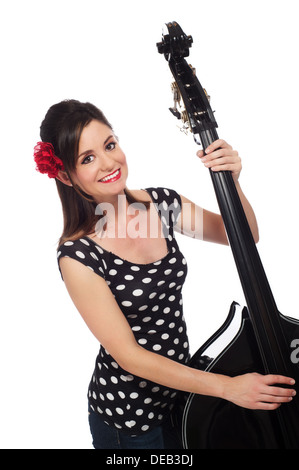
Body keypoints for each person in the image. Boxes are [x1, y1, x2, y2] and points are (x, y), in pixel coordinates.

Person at [34, 99, 296, 449]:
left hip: (182, 397)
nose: (109, 162)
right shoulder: (78, 255)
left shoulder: (162, 205)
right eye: (88, 158)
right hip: (129, 420)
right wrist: (228, 387)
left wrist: (232, 182)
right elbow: (130, 356)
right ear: (65, 175)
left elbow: (243, 235)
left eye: (110, 145)